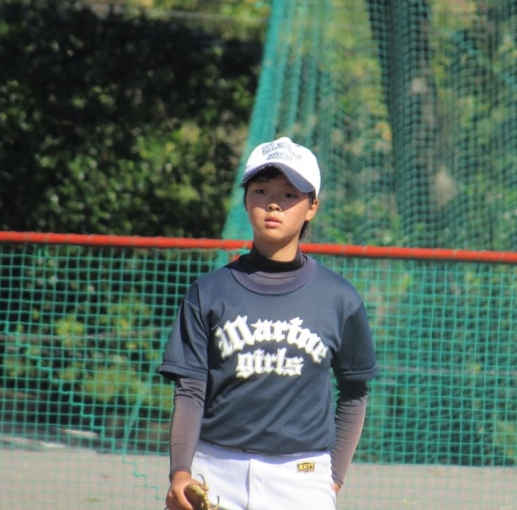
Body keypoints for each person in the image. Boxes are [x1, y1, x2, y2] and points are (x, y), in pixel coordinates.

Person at [159, 136, 379, 510]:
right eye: (261, 190)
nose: (273, 203)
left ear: (312, 207)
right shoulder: (208, 292)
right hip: (213, 470)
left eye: (290, 194)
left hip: (302, 475)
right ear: (246, 200)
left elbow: (355, 391)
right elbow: (191, 391)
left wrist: (333, 477)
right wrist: (181, 472)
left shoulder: (339, 298)